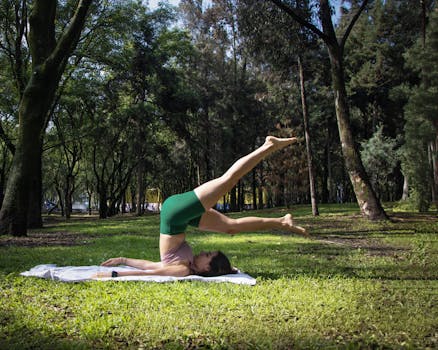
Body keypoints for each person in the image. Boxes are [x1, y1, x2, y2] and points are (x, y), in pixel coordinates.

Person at [94, 136, 308, 279]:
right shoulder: (191, 265)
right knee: (231, 227)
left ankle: (268, 146)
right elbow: (151, 266)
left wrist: (117, 271)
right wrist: (229, 270)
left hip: (176, 215)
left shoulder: (181, 269)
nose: (204, 251)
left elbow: (151, 270)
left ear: (205, 268)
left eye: (207, 255)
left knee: (229, 180)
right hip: (180, 218)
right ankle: (281, 222)